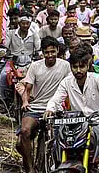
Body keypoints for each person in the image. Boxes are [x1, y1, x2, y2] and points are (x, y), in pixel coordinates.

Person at [44, 44, 99, 154]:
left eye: (82, 66)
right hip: (76, 126)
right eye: (75, 67)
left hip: (98, 124)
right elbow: (55, 99)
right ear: (71, 67)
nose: (78, 70)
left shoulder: (97, 79)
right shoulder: (66, 82)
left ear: (87, 65)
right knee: (56, 148)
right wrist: (50, 109)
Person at [17, 37, 71, 173]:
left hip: (56, 109)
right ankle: (29, 168)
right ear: (42, 53)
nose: (50, 55)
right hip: (36, 108)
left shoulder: (65, 66)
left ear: (58, 50)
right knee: (24, 131)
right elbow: (27, 88)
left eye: (53, 52)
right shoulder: (35, 66)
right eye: (47, 52)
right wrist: (25, 101)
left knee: (62, 137)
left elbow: (71, 87)